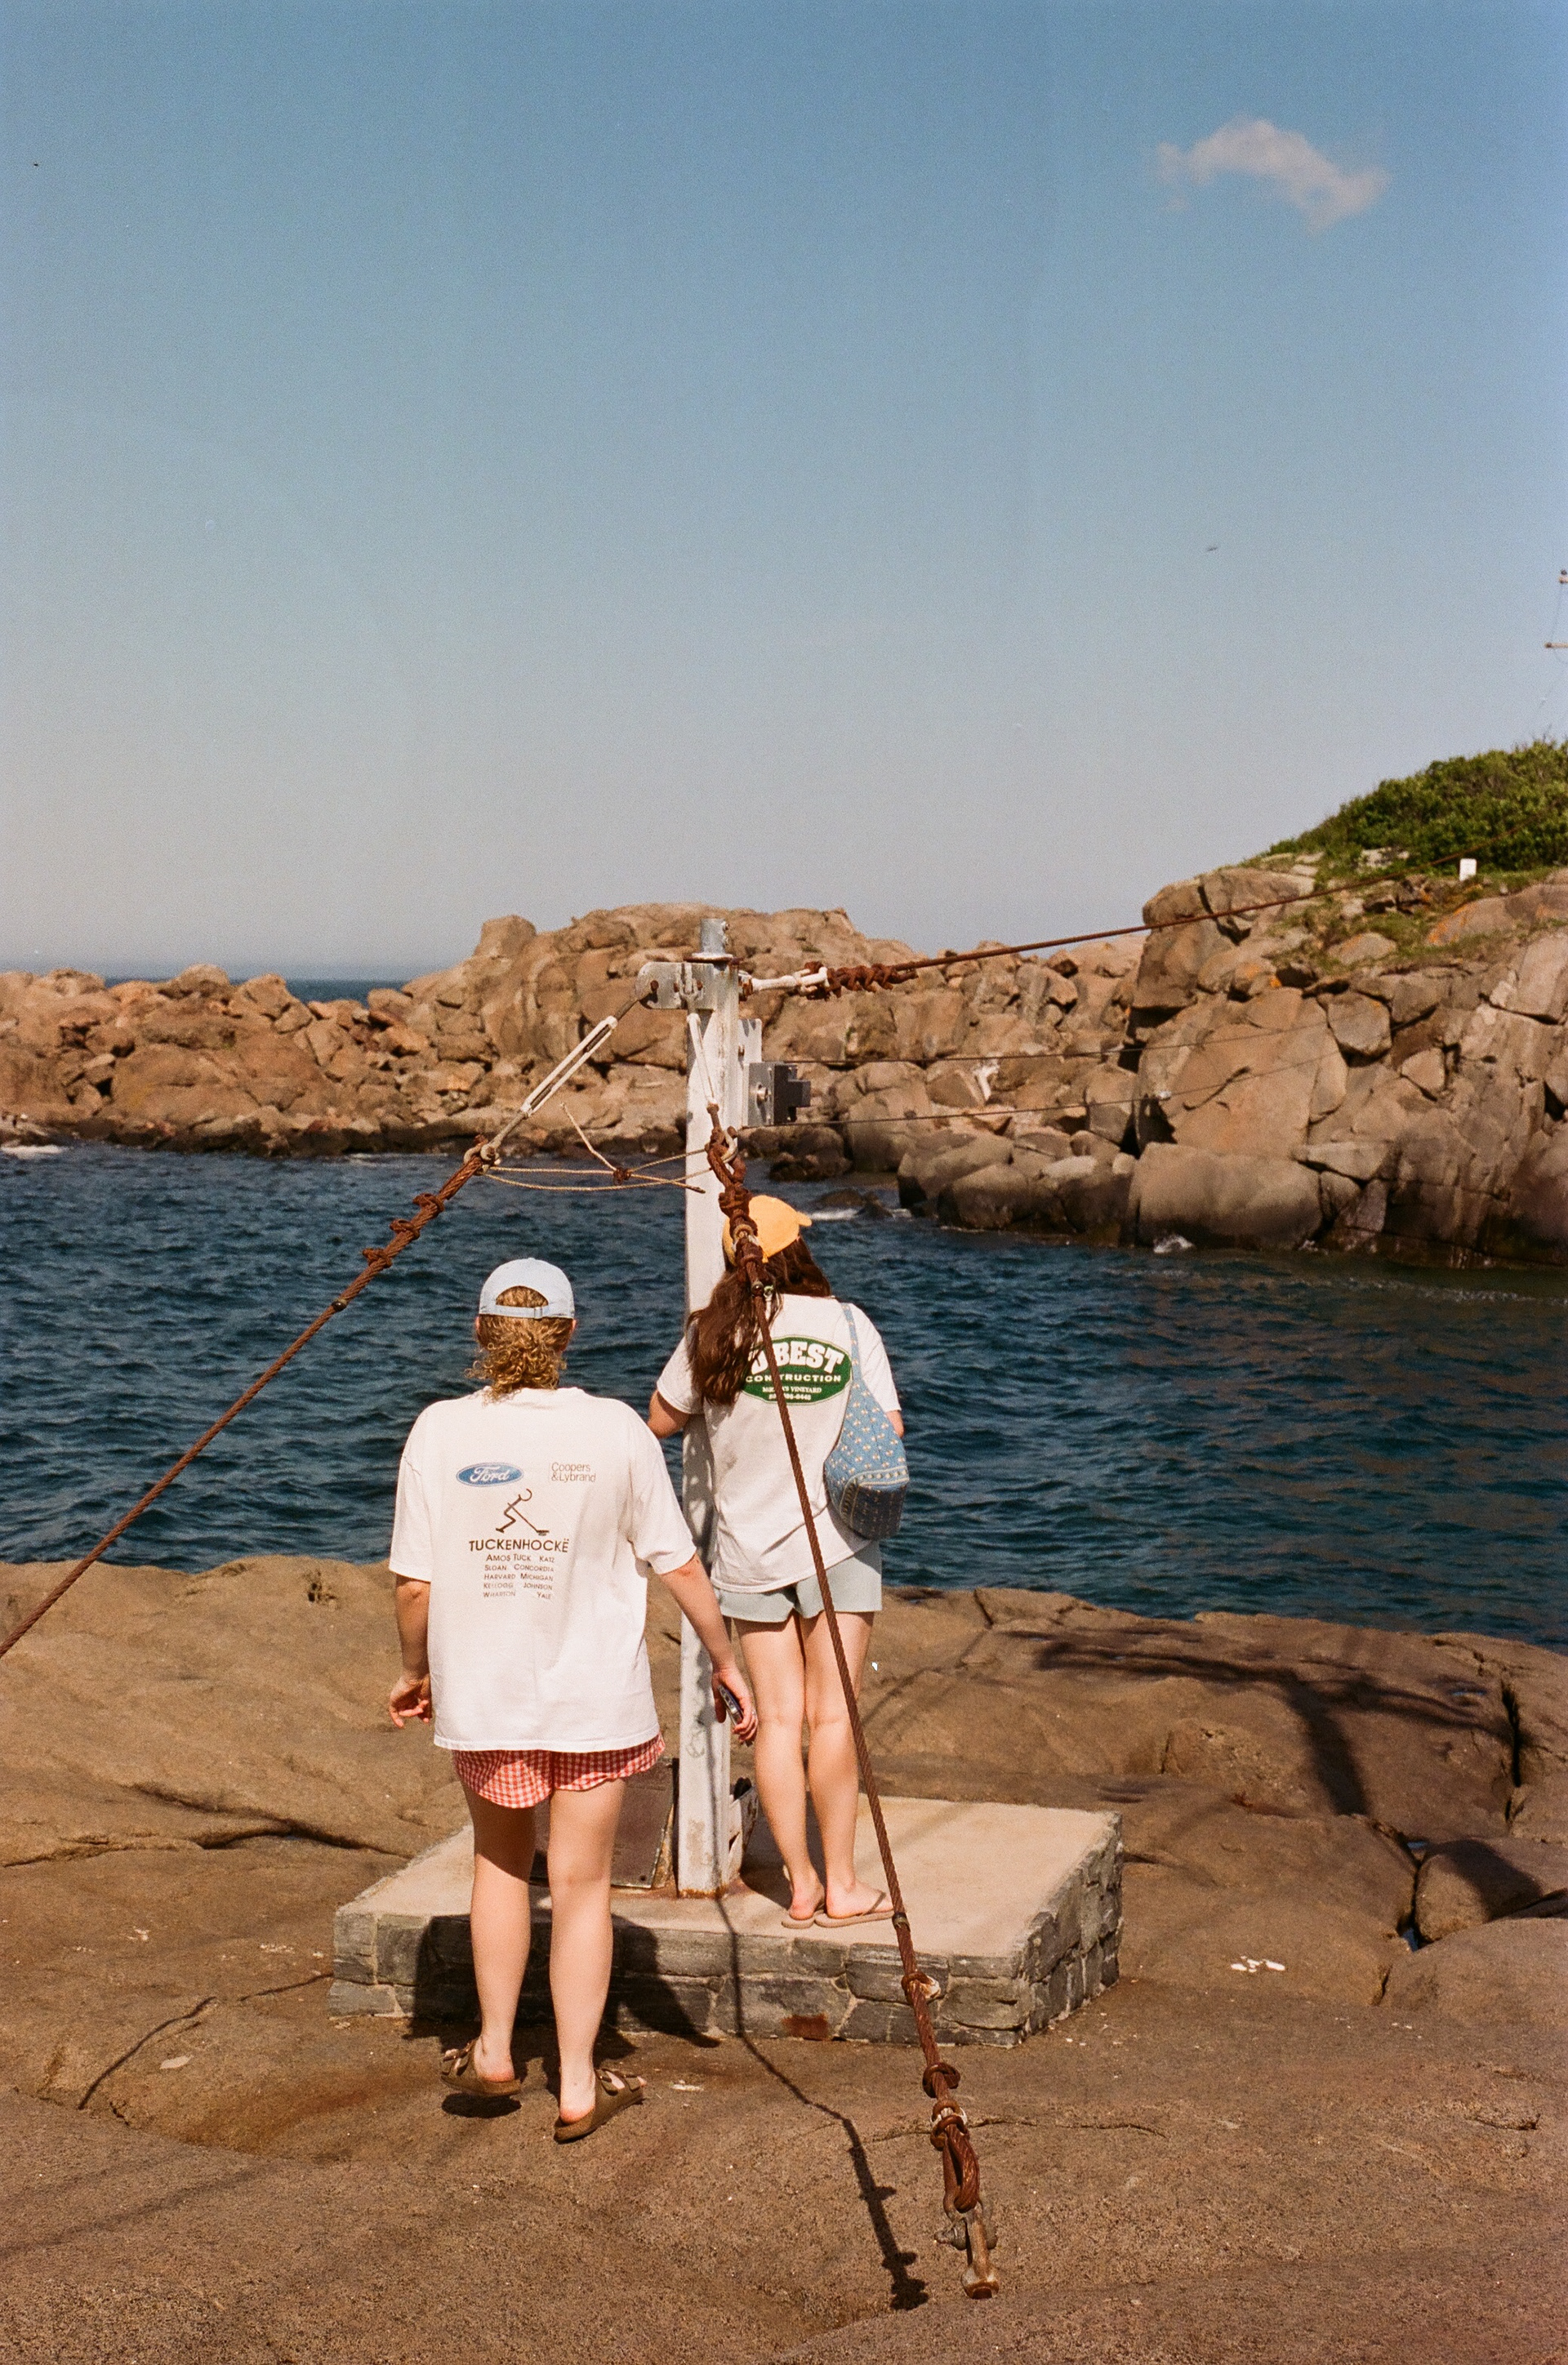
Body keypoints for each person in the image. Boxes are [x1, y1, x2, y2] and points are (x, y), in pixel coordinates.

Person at [388, 1255, 755, 2143]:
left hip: (488, 1695)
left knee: (500, 1865)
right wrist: (726, 1658)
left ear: (482, 1331)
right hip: (595, 1701)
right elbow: (678, 1563)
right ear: (568, 1336)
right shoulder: (617, 1428)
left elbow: (414, 1585)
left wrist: (414, 1671)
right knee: (583, 1888)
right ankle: (581, 2083)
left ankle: (495, 2051)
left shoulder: (438, 1430)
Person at [648, 1198, 904, 1931]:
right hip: (838, 1545)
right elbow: (889, 1431)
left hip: (749, 1551)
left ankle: (800, 1885)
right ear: (798, 1251)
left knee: (778, 1721)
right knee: (834, 1716)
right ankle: (844, 1885)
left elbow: (660, 1419)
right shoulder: (847, 1324)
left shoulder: (711, 1333)